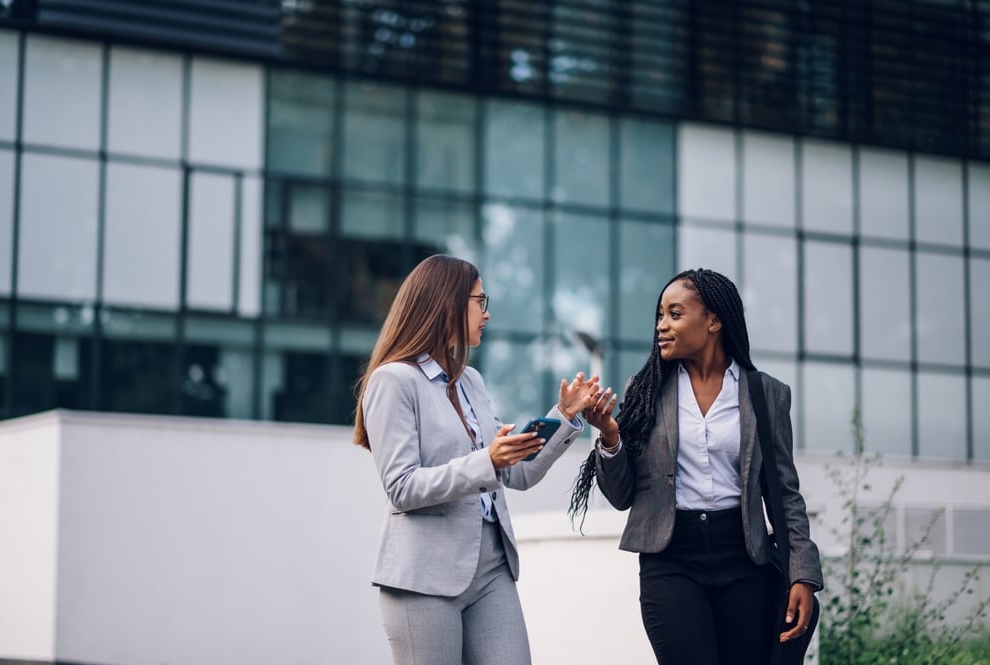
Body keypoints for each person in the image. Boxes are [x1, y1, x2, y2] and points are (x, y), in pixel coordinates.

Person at [353, 254, 601, 665]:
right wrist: (486, 461)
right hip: (423, 577)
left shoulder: (472, 381)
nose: (486, 314)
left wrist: (564, 417)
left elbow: (516, 473)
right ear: (446, 303)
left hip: (491, 567)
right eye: (479, 302)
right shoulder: (393, 381)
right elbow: (402, 488)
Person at [569, 268, 823, 665]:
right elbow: (620, 497)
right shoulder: (647, 388)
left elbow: (784, 493)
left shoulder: (765, 394)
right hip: (671, 560)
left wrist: (803, 574)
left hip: (744, 560)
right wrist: (609, 437)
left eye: (674, 314)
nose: (661, 326)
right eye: (659, 316)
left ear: (713, 321)